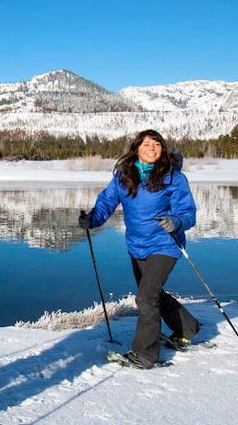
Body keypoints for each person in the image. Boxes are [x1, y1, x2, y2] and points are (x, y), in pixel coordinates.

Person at [79, 129, 200, 368]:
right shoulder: (123, 176)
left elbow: (188, 213)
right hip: (137, 244)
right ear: (137, 149)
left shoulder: (174, 177)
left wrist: (176, 221)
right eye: (147, 144)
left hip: (166, 244)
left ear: (163, 150)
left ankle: (145, 355)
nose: (152, 148)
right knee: (153, 294)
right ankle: (188, 328)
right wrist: (92, 219)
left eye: (157, 145)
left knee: (146, 297)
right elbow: (106, 202)